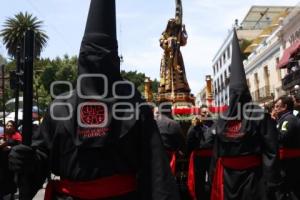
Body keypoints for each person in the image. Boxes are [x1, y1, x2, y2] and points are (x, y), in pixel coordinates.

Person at [8, 1, 180, 200]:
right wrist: (25, 159)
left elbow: (154, 168)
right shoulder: (64, 107)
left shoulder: (131, 105)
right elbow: (42, 158)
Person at [209, 29, 281, 200]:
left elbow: (215, 152)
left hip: (238, 178)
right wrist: (272, 182)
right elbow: (271, 150)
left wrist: (211, 177)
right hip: (250, 178)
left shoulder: (222, 119)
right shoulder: (259, 114)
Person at [274, 96, 300, 200]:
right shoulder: (283, 119)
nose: (275, 108)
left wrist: (270, 129)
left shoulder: (288, 119)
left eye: (277, 106)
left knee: (292, 189)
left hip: (290, 162)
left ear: (284, 107)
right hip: (286, 161)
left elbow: (282, 137)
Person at [158, 18, 190, 94]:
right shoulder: (164, 34)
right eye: (171, 24)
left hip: (177, 55)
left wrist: (183, 30)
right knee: (167, 72)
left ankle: (180, 88)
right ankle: (167, 88)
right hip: (167, 57)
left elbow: (184, 42)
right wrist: (169, 41)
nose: (172, 26)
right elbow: (162, 44)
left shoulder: (178, 33)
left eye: (174, 24)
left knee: (178, 72)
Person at [186, 116, 214, 200]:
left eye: (206, 112)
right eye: (203, 113)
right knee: (198, 180)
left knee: (211, 179)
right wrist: (194, 127)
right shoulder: (194, 126)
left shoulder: (214, 124)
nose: (205, 114)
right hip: (198, 156)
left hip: (210, 156)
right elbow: (189, 140)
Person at [154, 105, 185, 176]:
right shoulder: (173, 124)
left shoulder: (153, 122)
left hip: (155, 154)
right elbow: (181, 141)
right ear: (170, 111)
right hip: (168, 156)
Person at [0, 120, 22, 200]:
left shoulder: (17, 135)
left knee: (11, 178)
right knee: (2, 178)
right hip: (2, 161)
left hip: (12, 161)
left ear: (14, 127)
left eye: (10, 126)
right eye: (7, 125)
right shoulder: (3, 135)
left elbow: (20, 147)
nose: (8, 127)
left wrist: (11, 148)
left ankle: (12, 194)